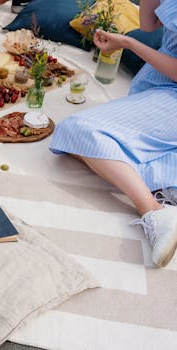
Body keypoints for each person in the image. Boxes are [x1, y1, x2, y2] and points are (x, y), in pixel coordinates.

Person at [49, 0, 177, 267]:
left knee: (76, 129)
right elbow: (148, 24)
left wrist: (129, 44)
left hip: (171, 93)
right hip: (160, 88)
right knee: (93, 152)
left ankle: (155, 212)